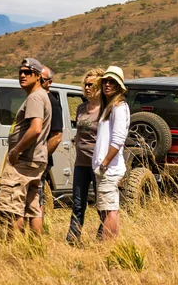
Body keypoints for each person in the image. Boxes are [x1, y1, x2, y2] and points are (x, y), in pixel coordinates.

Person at [0, 58, 52, 234]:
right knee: (32, 208)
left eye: (27, 72)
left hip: (24, 160)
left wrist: (16, 150)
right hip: (36, 160)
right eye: (20, 72)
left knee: (12, 208)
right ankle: (35, 248)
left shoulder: (35, 97)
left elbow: (35, 129)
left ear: (37, 76)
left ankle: (15, 250)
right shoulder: (42, 96)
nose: (22, 75)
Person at [66, 68, 104, 244]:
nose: (87, 87)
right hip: (80, 162)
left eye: (91, 84)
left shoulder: (105, 109)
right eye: (85, 84)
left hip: (97, 164)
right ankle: (73, 239)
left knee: (101, 203)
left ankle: (103, 237)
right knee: (78, 203)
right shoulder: (81, 108)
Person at [92, 66, 130, 240]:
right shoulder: (110, 107)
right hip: (107, 166)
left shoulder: (119, 107)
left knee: (110, 209)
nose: (107, 85)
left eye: (112, 82)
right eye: (105, 81)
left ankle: (106, 246)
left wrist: (105, 163)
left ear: (118, 86)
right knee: (108, 207)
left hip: (110, 167)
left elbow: (118, 139)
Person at [38, 66, 63, 222]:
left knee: (36, 198)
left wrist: (41, 156)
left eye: (42, 80)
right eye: (37, 78)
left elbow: (57, 136)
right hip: (31, 158)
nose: (38, 82)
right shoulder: (36, 99)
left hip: (40, 159)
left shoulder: (52, 103)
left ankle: (37, 236)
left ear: (49, 82)